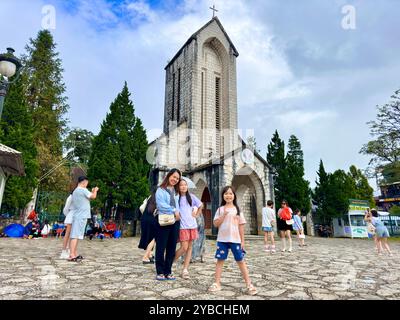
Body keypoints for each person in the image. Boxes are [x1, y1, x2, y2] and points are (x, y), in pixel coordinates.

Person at [208, 186, 257, 295]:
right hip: (222, 240)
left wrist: (242, 241)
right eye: (226, 193)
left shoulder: (238, 210)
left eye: (230, 193)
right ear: (223, 196)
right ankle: (217, 283)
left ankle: (249, 284)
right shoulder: (220, 209)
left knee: (241, 261)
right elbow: (216, 224)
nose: (228, 195)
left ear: (234, 195)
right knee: (220, 261)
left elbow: (241, 227)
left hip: (235, 240)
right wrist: (223, 215)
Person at [154, 168, 182, 280]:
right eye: (174, 176)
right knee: (161, 246)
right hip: (164, 221)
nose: (175, 179)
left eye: (177, 178)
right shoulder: (160, 190)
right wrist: (174, 210)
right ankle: (160, 271)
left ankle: (168, 270)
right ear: (169, 175)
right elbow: (161, 205)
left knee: (171, 247)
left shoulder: (176, 192)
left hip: (175, 222)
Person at [174, 179, 203, 279]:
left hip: (192, 226)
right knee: (184, 248)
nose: (183, 187)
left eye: (185, 185)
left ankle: (185, 270)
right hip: (183, 226)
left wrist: (197, 214)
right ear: (178, 187)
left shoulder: (192, 197)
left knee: (190, 248)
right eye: (181, 185)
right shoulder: (176, 198)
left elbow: (201, 205)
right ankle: (170, 261)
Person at [68, 176, 99, 262]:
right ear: (84, 182)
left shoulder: (76, 191)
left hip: (79, 215)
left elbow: (88, 197)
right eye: (86, 183)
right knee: (75, 235)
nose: (87, 185)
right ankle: (71, 255)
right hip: (80, 216)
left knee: (77, 235)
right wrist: (95, 190)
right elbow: (93, 197)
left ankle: (74, 253)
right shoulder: (82, 190)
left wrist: (92, 192)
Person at [138, 192, 157, 264]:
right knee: (154, 238)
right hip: (152, 219)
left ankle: (150, 255)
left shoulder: (150, 196)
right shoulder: (159, 198)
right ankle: (145, 257)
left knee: (149, 237)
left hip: (144, 218)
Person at [60, 190, 74, 259]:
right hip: (70, 216)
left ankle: (69, 249)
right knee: (67, 234)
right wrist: (68, 215)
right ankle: (63, 251)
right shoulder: (70, 197)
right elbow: (66, 208)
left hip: (76, 217)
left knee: (73, 235)